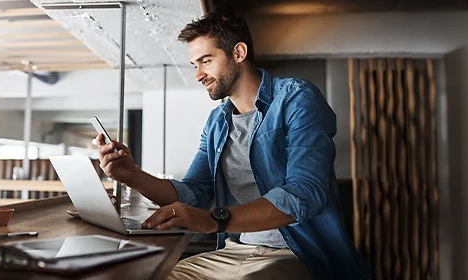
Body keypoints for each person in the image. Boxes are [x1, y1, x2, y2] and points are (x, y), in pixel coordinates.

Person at [97, 10, 371, 280]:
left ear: (238, 53)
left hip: (296, 253)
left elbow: (306, 192)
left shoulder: (297, 99)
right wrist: (133, 176)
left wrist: (213, 219)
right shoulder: (217, 122)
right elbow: (194, 193)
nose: (198, 75)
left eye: (206, 61)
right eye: (195, 64)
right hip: (233, 251)